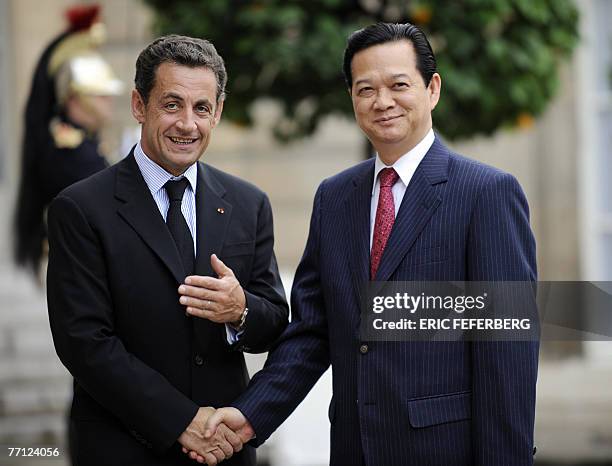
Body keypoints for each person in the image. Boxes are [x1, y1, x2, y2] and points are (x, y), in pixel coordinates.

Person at [193, 22, 539, 466]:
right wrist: (249, 416)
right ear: (352, 99)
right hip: (355, 449)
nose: (383, 102)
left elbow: (506, 356)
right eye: (365, 89)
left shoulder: (486, 193)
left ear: (432, 89)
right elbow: (313, 332)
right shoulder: (335, 197)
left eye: (399, 85)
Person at [46, 34, 288, 466]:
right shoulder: (80, 208)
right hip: (121, 447)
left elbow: (273, 322)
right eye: (172, 105)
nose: (187, 125)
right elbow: (84, 343)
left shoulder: (249, 204)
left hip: (224, 450)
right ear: (140, 105)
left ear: (218, 114)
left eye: (202, 109)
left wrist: (240, 310)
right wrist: (182, 421)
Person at [14, 4, 122, 280]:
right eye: (100, 95)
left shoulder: (82, 143)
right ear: (75, 98)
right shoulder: (67, 150)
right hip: (78, 267)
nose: (109, 102)